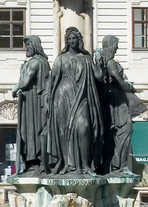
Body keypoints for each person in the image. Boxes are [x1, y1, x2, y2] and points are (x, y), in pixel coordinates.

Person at [46, 27, 104, 174]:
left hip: (82, 95)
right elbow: (52, 81)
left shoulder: (86, 58)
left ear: (79, 40)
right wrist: (48, 100)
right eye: (69, 39)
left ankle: (85, 166)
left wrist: (101, 62)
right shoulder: (60, 59)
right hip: (63, 96)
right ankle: (66, 164)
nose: (72, 41)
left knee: (84, 128)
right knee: (63, 132)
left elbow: (99, 76)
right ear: (67, 41)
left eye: (74, 38)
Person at [11, 35, 51, 175]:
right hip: (34, 102)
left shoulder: (35, 62)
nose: (26, 49)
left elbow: (27, 81)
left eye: (28, 46)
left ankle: (34, 162)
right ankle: (35, 161)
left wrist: (14, 89)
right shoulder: (43, 62)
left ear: (34, 46)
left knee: (31, 131)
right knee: (32, 132)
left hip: (33, 103)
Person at [96, 35, 135, 174]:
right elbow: (117, 79)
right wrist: (128, 87)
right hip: (115, 100)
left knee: (110, 135)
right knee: (125, 129)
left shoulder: (104, 62)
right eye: (116, 45)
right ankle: (119, 166)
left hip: (110, 98)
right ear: (111, 46)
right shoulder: (111, 62)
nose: (117, 48)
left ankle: (111, 166)